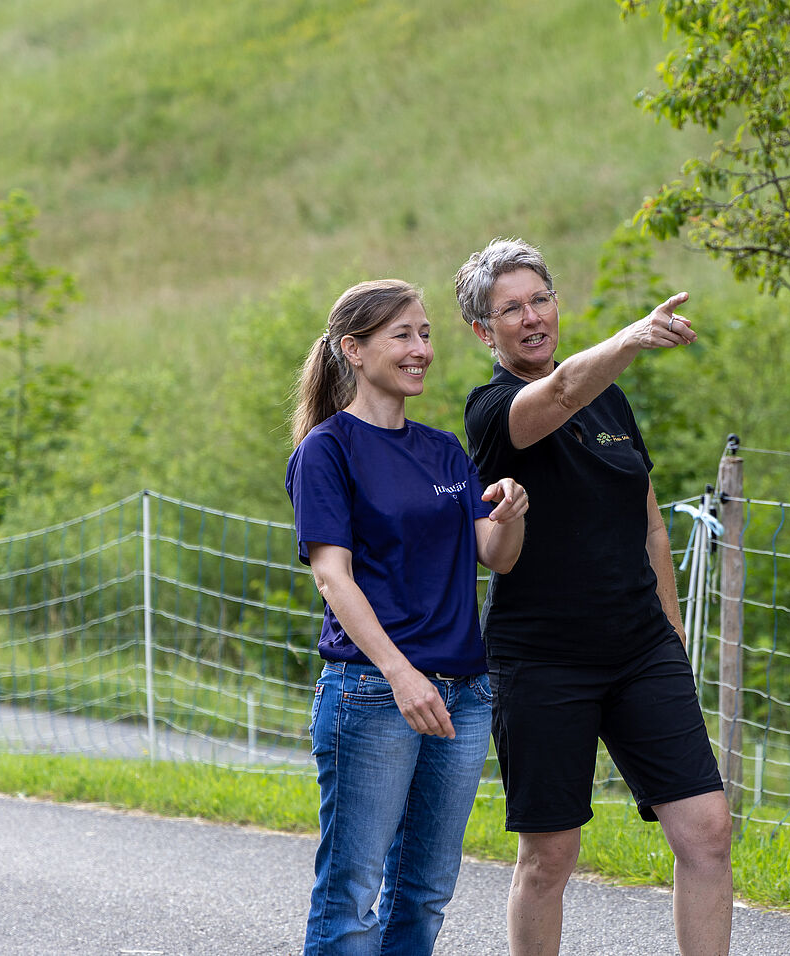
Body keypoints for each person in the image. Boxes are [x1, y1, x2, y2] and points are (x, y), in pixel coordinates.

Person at [455, 239, 733, 956]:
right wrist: (633, 335)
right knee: (550, 857)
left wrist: (671, 635)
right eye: (510, 309)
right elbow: (562, 392)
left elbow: (649, 526)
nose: (531, 317)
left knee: (706, 831)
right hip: (543, 660)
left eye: (540, 299)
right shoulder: (492, 410)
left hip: (641, 651)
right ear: (485, 332)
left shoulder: (612, 398)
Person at [285, 279, 528, 956]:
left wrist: (512, 513)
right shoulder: (327, 452)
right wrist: (400, 674)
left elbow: (495, 556)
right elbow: (333, 576)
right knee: (353, 894)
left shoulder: (446, 450)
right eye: (403, 335)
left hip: (463, 693)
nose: (421, 348)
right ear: (352, 351)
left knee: (424, 892)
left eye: (425, 334)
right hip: (372, 692)